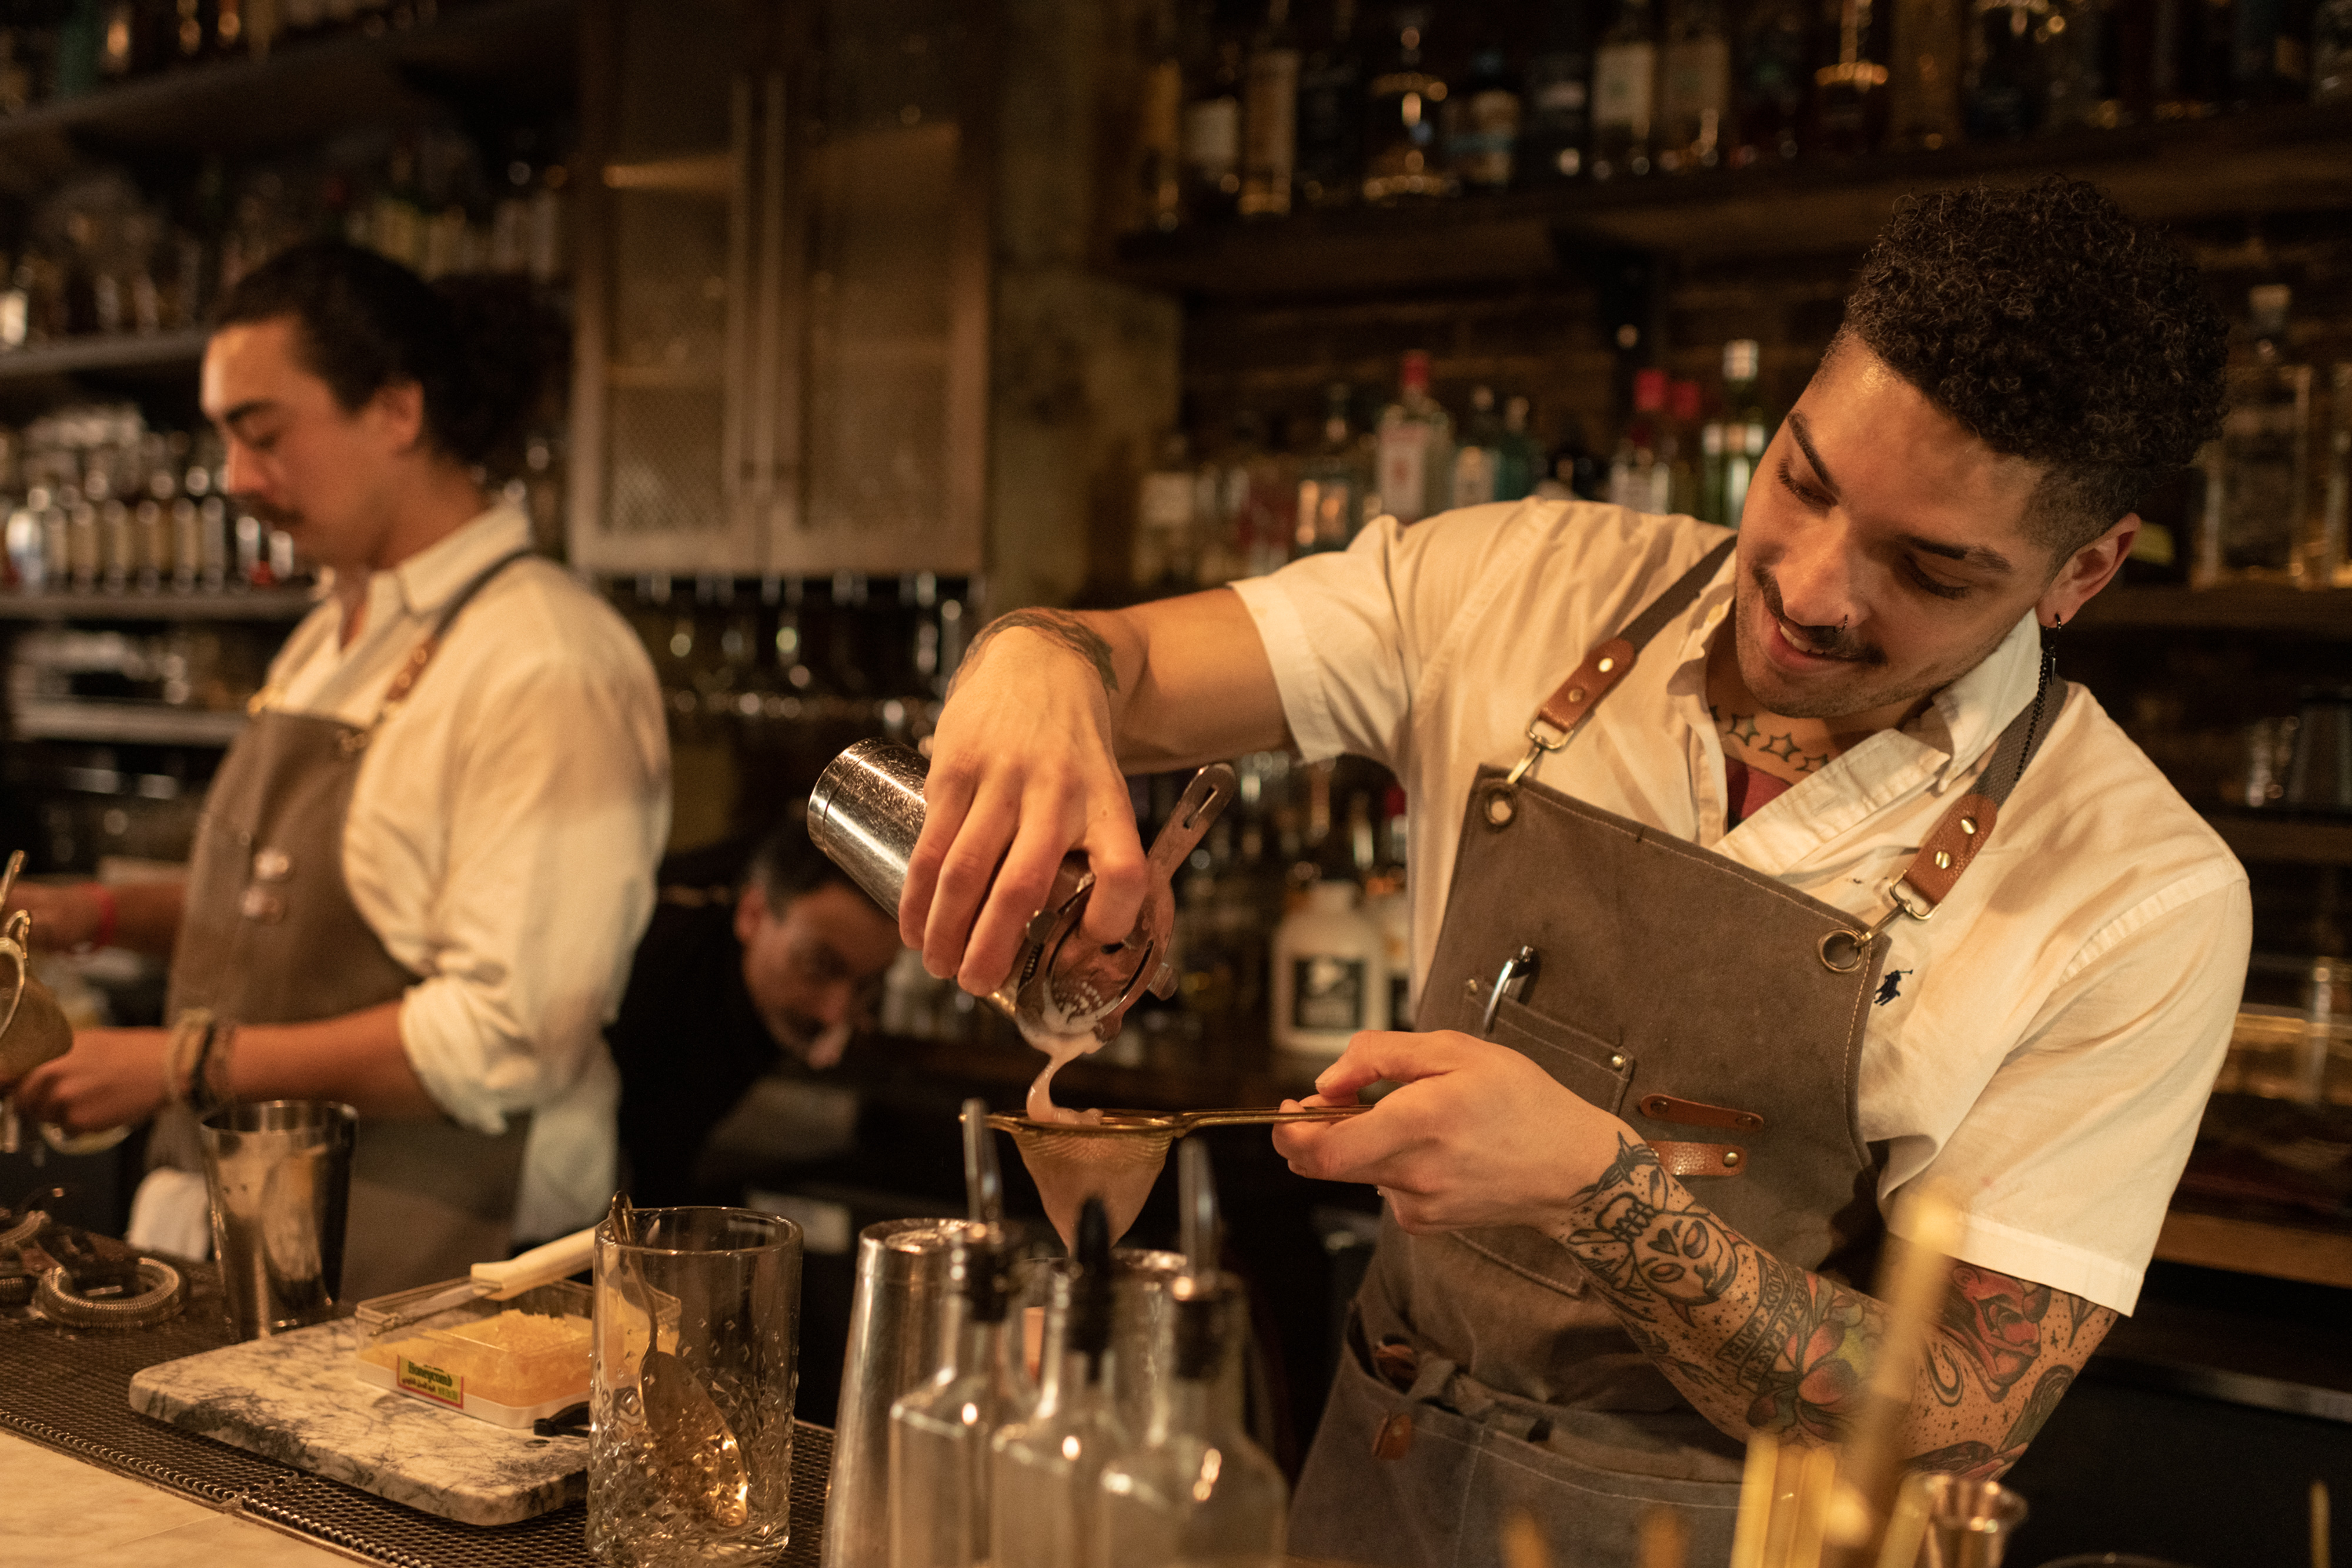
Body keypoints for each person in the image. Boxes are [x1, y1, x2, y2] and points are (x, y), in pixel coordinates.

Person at [897, 179, 2244, 1564]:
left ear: (2081, 571)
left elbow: (1955, 1423)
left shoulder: (2135, 895)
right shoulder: (1521, 583)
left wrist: (1598, 1192)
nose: (1809, 589)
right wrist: (1037, 659)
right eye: (1801, 482)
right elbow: (1122, 664)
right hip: (1378, 1493)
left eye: (1928, 569)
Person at [1, 241, 669, 1299]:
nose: (235, 478)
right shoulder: (335, 629)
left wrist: (178, 1064)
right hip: (263, 1235)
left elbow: (505, 1038)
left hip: (440, 1274)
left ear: (397, 410)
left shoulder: (546, 661)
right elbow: (284, 914)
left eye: (263, 433)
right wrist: (91, 913)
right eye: (225, 438)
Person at [606, 818, 902, 1208]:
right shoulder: (652, 961)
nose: (836, 1014)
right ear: (753, 913)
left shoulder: (768, 994)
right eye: (819, 965)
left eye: (866, 985)